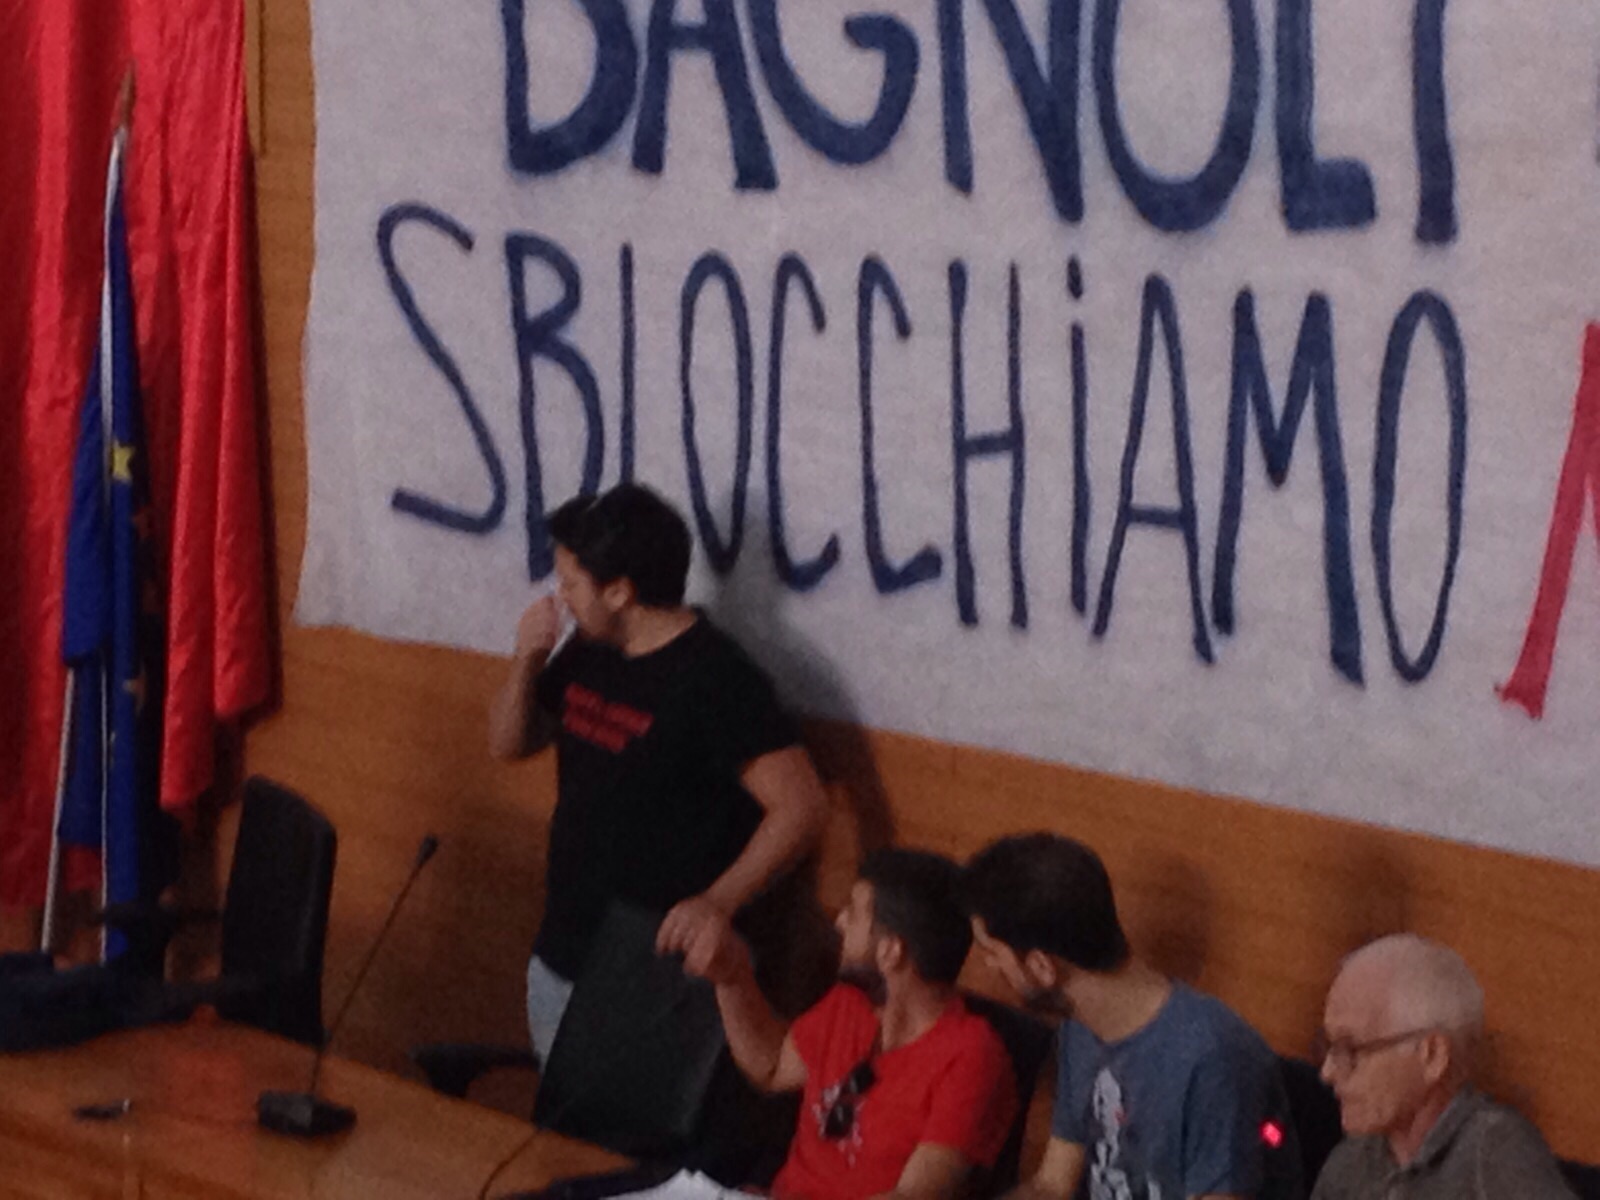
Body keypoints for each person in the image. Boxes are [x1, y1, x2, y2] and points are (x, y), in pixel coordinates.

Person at [489, 484, 828, 1061]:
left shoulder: (717, 679)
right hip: (565, 950)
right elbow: (508, 744)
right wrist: (527, 660)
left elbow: (802, 807)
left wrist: (717, 903)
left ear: (619, 591)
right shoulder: (589, 649)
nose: (561, 598)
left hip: (658, 975)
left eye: (571, 584)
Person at [664, 847, 1020, 1200]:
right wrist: (732, 977)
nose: (840, 922)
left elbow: (915, 1195)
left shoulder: (971, 1055)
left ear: (890, 951)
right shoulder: (850, 1002)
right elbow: (771, 1068)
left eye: (854, 912)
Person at [962, 833, 1302, 1200]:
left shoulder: (1214, 1059)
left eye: (992, 952)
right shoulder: (1079, 1028)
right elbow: (1052, 1184)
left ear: (1042, 967)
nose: (989, 965)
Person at [1310, 934, 1575, 1200]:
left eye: (1351, 1050)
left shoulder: (1494, 1151)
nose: (1328, 1072)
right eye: (1329, 1047)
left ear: (1432, 1056)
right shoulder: (1350, 1165)